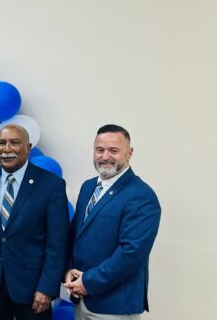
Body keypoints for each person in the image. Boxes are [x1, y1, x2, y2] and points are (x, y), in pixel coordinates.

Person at [0, 125, 69, 320]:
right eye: (2, 143)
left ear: (28, 148)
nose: (7, 149)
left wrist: (46, 288)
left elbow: (57, 244)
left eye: (15, 143)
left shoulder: (51, 185)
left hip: (33, 291)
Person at [65, 125, 161, 320]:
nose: (105, 156)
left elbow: (131, 253)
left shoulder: (141, 195)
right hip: (81, 299)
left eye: (113, 151)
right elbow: (76, 235)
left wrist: (88, 282)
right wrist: (68, 269)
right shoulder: (88, 186)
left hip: (115, 305)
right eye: (100, 150)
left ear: (130, 153)